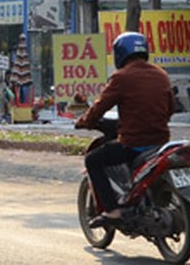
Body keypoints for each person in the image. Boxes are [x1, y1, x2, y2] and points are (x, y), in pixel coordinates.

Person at [75, 31, 175, 227]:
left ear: (120, 53)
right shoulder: (161, 75)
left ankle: (112, 211)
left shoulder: (121, 77)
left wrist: (85, 121)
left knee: (93, 160)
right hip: (161, 141)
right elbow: (170, 108)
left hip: (134, 144)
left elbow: (99, 107)